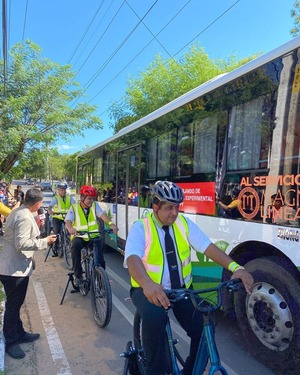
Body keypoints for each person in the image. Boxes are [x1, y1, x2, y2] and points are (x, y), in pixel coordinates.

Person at [124, 180, 253, 375]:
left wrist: (236, 267)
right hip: (149, 291)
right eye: (169, 208)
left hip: (182, 290)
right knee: (155, 320)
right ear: (156, 206)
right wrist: (147, 283)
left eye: (177, 207)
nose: (174, 213)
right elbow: (132, 258)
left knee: (203, 329)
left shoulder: (183, 223)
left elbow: (207, 247)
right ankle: (154, 371)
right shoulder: (141, 227)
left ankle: (191, 371)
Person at [0, 188, 57, 359]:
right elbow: (22, 243)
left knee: (15, 304)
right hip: (13, 270)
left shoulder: (19, 211)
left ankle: (19, 333)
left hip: (14, 267)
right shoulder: (23, 216)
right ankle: (10, 341)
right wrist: (44, 242)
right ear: (38, 203)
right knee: (13, 305)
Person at [65, 185, 118, 287]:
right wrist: (70, 228)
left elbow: (103, 215)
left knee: (100, 259)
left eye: (93, 198)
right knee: (75, 247)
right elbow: (68, 221)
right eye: (89, 198)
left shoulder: (94, 205)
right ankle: (78, 276)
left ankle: (101, 279)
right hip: (80, 237)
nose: (91, 201)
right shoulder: (74, 207)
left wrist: (111, 224)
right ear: (82, 198)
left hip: (93, 236)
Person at [47, 182, 76, 256]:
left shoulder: (69, 197)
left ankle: (68, 243)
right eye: (61, 190)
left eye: (64, 190)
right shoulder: (56, 198)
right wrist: (50, 210)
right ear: (58, 190)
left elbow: (75, 205)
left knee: (70, 231)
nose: (63, 191)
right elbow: (50, 206)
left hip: (66, 218)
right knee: (57, 233)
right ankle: (56, 248)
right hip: (57, 218)